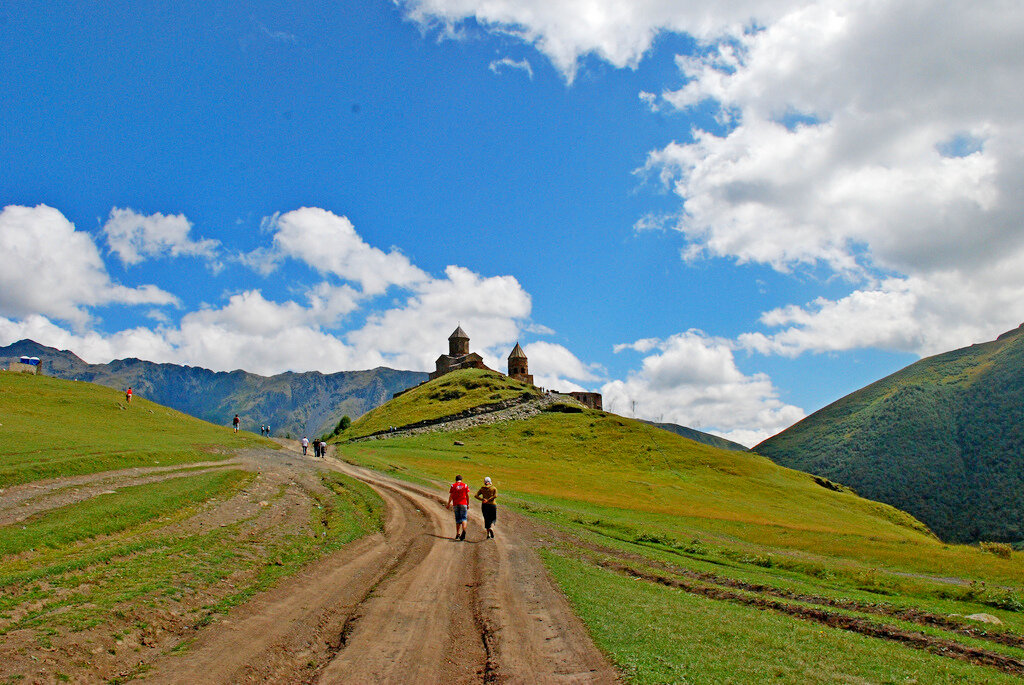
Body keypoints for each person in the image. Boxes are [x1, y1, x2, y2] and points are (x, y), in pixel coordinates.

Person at [446, 475, 470, 541]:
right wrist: (468, 504)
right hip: (464, 503)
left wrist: (448, 504)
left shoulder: (453, 486)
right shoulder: (465, 485)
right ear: (461, 479)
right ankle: (464, 530)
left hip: (456, 504)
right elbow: (467, 495)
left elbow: (451, 495)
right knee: (464, 518)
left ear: (455, 479)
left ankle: (457, 534)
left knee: (458, 519)